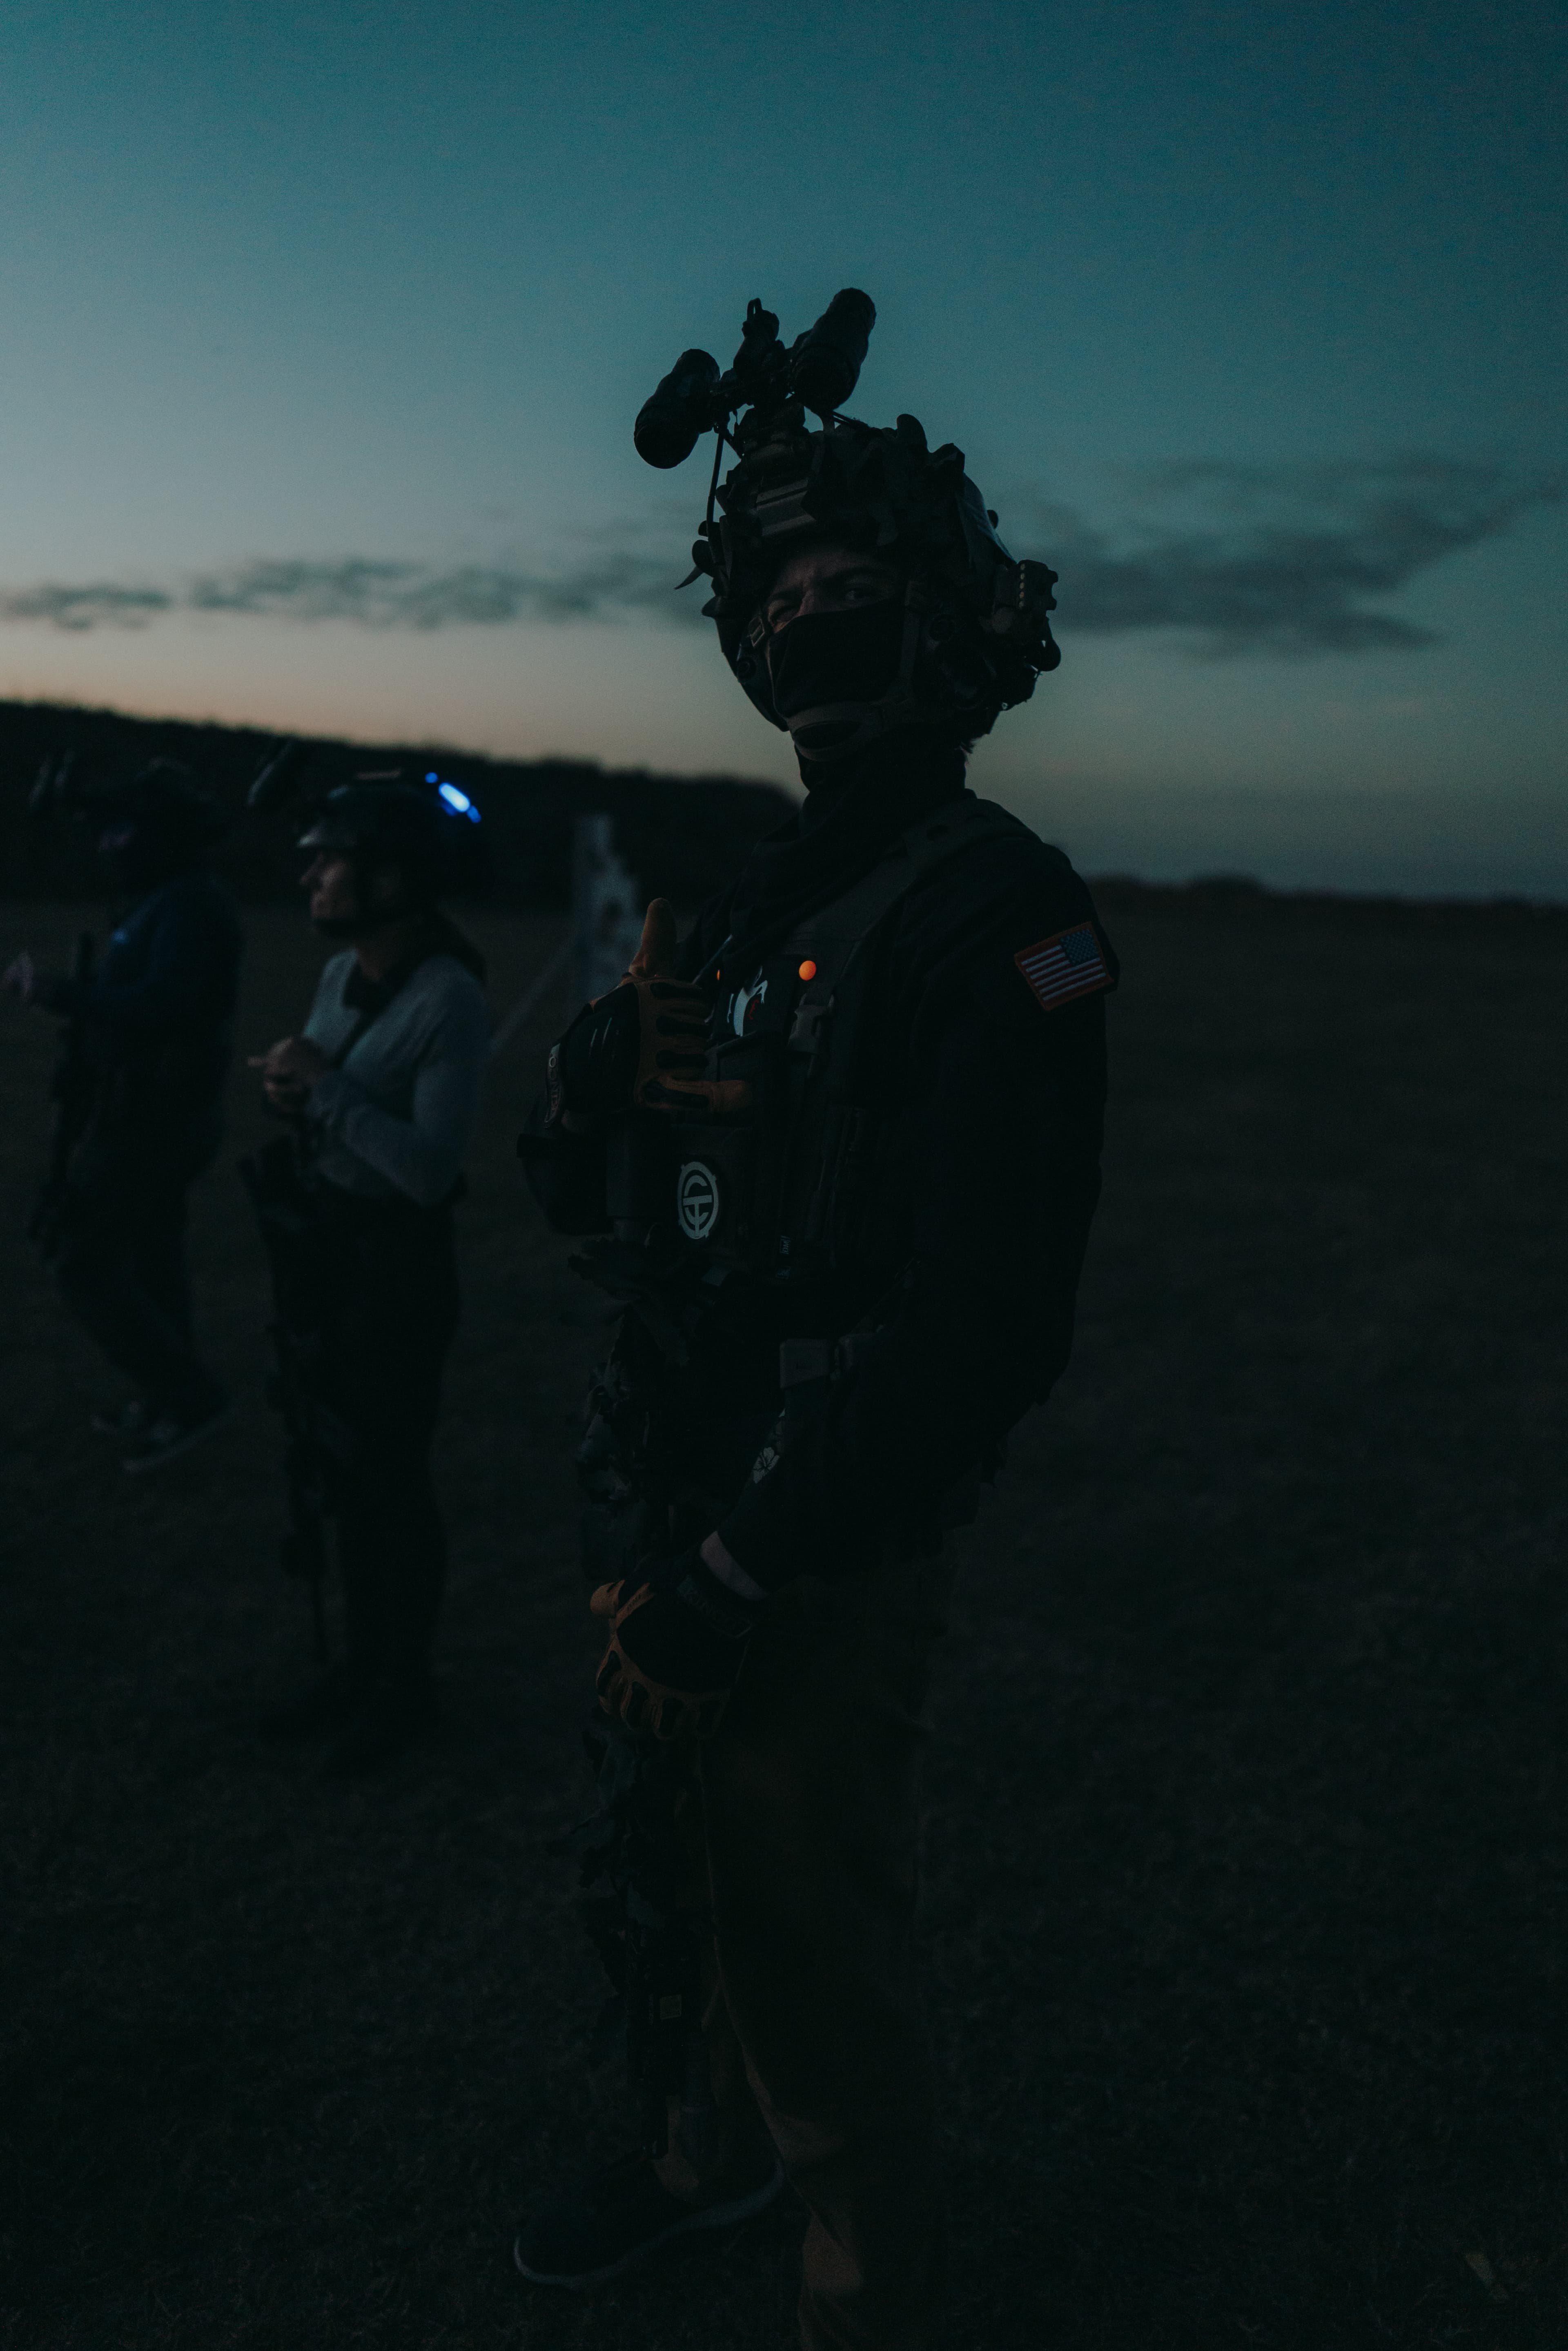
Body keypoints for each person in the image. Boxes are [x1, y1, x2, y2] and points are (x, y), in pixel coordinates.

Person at [514, 315, 1116, 2348]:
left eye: (850, 590)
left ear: (943, 621)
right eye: (776, 596)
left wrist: (745, 1555)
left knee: (801, 1915)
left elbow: (988, 1320)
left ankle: (865, 2273)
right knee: (657, 1864)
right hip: (667, 1455)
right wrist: (594, 1088)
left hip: (813, 1519)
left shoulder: (993, 907)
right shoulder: (755, 888)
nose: (808, 623)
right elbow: (600, 1209)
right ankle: (691, 2156)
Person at [248, 779, 489, 1776]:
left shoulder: (448, 995)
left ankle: (404, 1684)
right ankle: (358, 1665)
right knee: (341, 1467)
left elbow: (431, 1173)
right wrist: (292, 1090)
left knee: (390, 1477)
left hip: (396, 1264)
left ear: (391, 877)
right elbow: (325, 1085)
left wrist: (324, 1090)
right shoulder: (345, 973)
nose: (310, 874)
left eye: (328, 859)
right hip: (328, 1249)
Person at [2, 759, 242, 1472]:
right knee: (150, 1254)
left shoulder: (190, 906)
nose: (107, 845)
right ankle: (170, 1399)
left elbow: (162, 1006)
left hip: (158, 1117)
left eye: (122, 832)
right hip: (138, 1107)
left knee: (85, 1259)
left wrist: (57, 992)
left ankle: (188, 1395)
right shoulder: (159, 897)